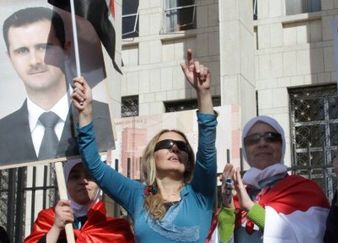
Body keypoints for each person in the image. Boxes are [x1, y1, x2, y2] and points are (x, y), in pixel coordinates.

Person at [72, 49, 217, 242]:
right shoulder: (136, 195)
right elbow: (93, 165)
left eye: (182, 147)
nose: (175, 148)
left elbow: (207, 149)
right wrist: (86, 113)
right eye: (167, 144)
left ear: (188, 161)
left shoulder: (201, 194)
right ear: (152, 157)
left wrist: (204, 94)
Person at [0, 7, 113, 166]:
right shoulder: (2, 132)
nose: (34, 61)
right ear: (10, 58)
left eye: (43, 47)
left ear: (66, 48)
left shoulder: (102, 120)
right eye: (22, 51)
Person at [210, 116, 329, 243]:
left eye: (271, 137)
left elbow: (313, 238)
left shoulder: (306, 191)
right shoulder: (236, 200)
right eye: (253, 140)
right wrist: (228, 210)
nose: (262, 144)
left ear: (282, 144)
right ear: (245, 149)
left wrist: (251, 208)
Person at [24, 159, 134, 242]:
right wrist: (56, 228)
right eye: (75, 176)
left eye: (90, 176)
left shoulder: (116, 230)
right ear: (65, 182)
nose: (83, 181)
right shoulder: (47, 219)